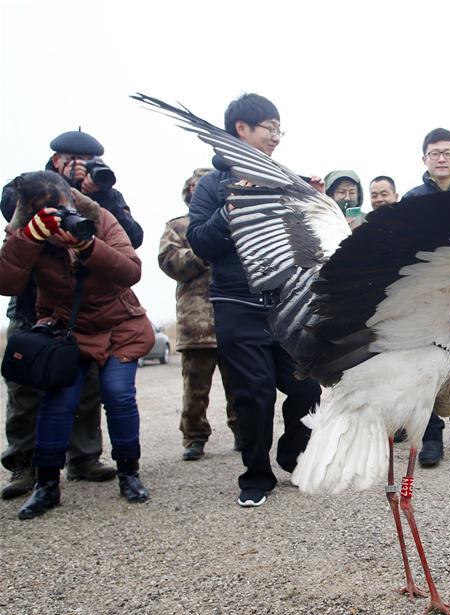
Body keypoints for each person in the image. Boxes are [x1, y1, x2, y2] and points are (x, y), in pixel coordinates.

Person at [187, 93, 322, 507]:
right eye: (270, 127)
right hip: (236, 304)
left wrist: (314, 204)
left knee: (307, 386)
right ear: (240, 130)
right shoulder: (211, 186)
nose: (276, 137)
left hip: (284, 304)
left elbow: (306, 245)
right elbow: (201, 244)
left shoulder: (284, 180)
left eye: (280, 129)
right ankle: (256, 474)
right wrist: (232, 206)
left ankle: (292, 452)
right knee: (255, 394)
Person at [0, 170, 154, 519]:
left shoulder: (99, 219)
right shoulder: (28, 235)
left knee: (118, 395)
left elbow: (131, 270)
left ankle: (129, 474)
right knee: (59, 401)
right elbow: (7, 282)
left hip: (119, 324)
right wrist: (29, 240)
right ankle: (47, 485)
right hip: (68, 331)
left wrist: (88, 245)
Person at [402, 128, 450, 466]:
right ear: (425, 159)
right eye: (435, 153)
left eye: (447, 152)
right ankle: (431, 437)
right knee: (427, 365)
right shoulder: (412, 199)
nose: (442, 158)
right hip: (426, 295)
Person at [158, 168, 239, 461]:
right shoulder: (179, 226)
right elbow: (169, 262)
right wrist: (204, 251)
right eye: (196, 186)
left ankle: (242, 432)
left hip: (233, 317)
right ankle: (194, 437)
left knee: (239, 385)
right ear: (190, 191)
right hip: (197, 323)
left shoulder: (238, 222)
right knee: (195, 388)